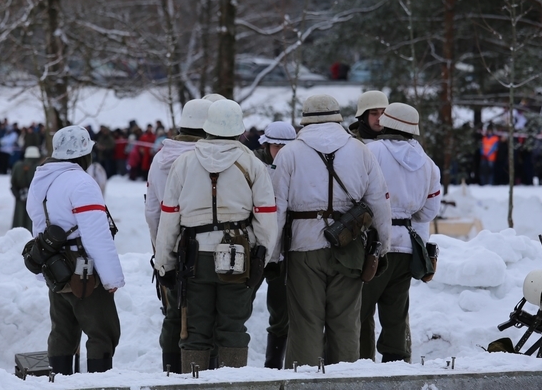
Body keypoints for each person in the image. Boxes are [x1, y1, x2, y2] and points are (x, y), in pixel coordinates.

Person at [154, 99, 278, 373]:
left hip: (193, 257)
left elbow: (169, 218)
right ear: (239, 129)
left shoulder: (184, 163)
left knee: (195, 329)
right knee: (233, 327)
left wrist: (164, 263)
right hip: (239, 255)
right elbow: (267, 220)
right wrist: (262, 258)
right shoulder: (253, 164)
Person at [271, 94, 392, 368]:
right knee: (346, 322)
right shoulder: (360, 150)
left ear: (305, 118)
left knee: (306, 323)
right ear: (338, 116)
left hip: (303, 248)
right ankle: (345, 389)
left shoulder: (290, 153)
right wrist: (381, 246)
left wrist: (273, 254)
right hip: (349, 247)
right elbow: (380, 203)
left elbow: (276, 208)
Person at [26, 125, 125, 374]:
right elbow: (96, 235)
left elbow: (38, 228)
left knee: (62, 333)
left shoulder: (40, 182)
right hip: (85, 272)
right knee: (103, 333)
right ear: (83, 154)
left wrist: (44, 274)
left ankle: (59, 388)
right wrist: (112, 278)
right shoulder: (82, 182)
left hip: (55, 270)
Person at [361, 103, 441, 363]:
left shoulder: (370, 151)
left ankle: (361, 364)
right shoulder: (427, 163)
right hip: (406, 246)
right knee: (395, 313)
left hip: (372, 243)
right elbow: (428, 212)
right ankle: (395, 366)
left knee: (361, 310)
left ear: (387, 123)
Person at [144, 98, 213, 373]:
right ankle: (208, 371)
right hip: (206, 243)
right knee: (209, 311)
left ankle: (171, 369)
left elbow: (152, 211)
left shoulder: (161, 158)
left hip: (170, 241)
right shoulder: (211, 157)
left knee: (174, 313)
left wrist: (161, 249)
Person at [251, 120, 296, 369]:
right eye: (277, 145)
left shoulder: (298, 166)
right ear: (267, 145)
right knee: (239, 307)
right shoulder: (252, 166)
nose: (281, 150)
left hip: (283, 250)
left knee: (281, 313)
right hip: (256, 248)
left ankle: (273, 366)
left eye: (285, 146)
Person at [11, 146, 41, 231]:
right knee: (31, 218)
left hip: (20, 195)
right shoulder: (39, 167)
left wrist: (17, 194)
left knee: (19, 217)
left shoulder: (17, 165)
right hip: (34, 197)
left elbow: (13, 182)